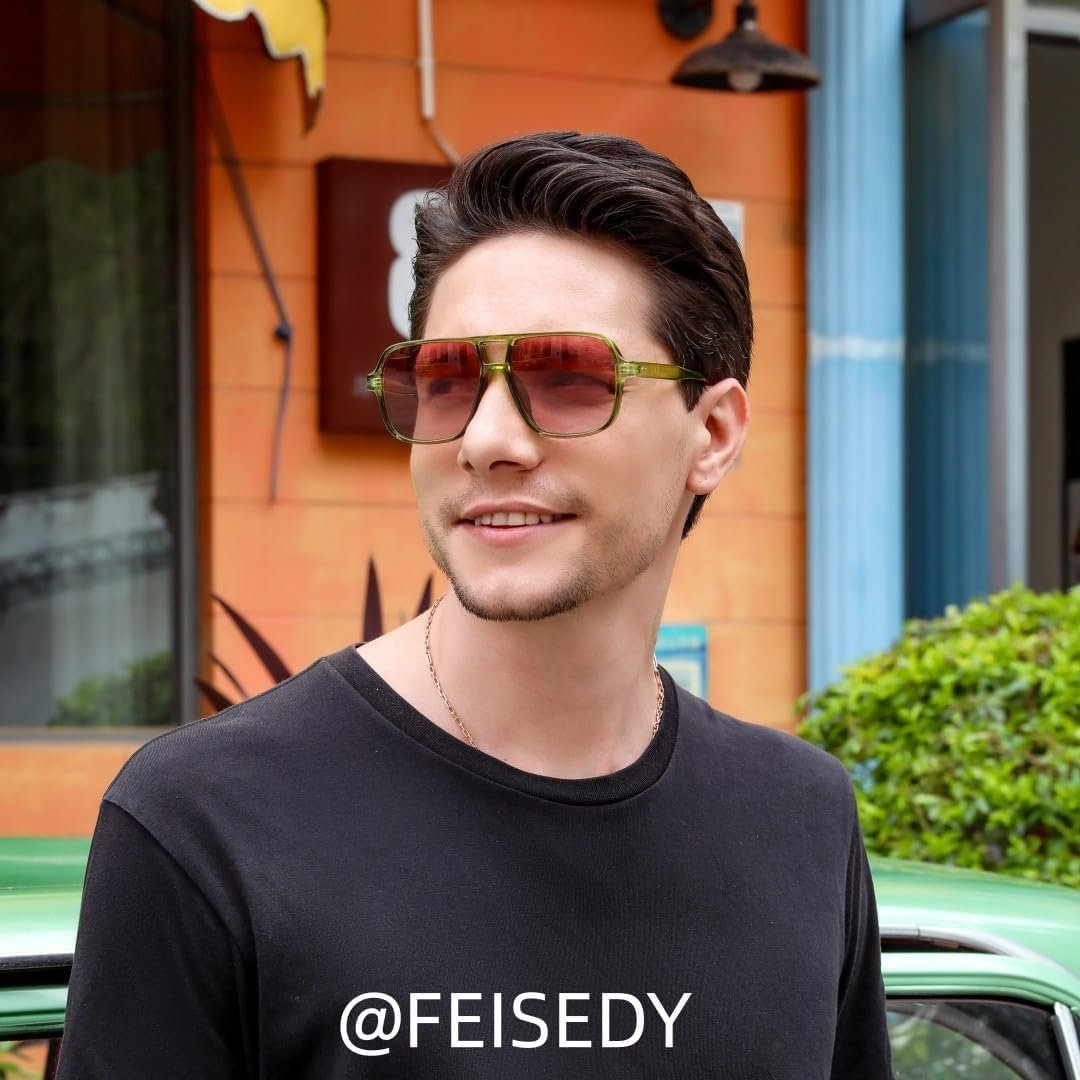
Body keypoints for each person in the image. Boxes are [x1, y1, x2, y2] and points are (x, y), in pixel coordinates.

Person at [58, 131, 893, 1078]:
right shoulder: (204, 817)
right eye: (448, 382)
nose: (488, 440)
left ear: (712, 433)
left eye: (569, 379)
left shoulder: (800, 819)